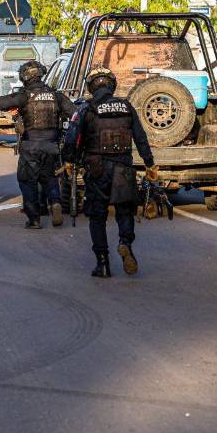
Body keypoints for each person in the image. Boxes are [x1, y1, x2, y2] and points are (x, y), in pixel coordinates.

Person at [63, 67, 160, 278]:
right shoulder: (126, 106)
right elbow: (141, 137)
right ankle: (125, 243)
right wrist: (150, 164)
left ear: (91, 87)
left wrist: (68, 161)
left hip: (96, 170)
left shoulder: (86, 109)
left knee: (97, 216)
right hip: (124, 168)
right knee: (125, 211)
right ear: (111, 85)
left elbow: (71, 138)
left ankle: (103, 263)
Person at [0, 60, 77, 229]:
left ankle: (34, 219)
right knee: (50, 177)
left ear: (25, 76)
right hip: (52, 145)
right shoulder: (56, 95)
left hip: (31, 145)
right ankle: (55, 202)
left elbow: (0, 103)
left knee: (27, 180)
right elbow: (75, 114)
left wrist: (16, 104)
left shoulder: (24, 95)